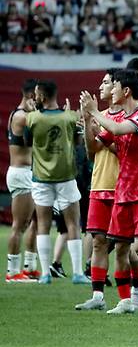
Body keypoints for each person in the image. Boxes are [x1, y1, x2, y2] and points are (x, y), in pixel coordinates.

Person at [79, 69, 138, 314]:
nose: (110, 90)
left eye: (114, 86)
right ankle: (126, 300)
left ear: (125, 91)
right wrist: (86, 120)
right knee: (122, 248)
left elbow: (118, 131)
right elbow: (93, 147)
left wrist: (94, 111)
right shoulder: (114, 120)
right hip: (124, 192)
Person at [27, 80, 87, 285]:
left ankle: (45, 274)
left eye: (36, 94)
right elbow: (79, 142)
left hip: (41, 178)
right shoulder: (70, 117)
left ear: (42, 97)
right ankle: (78, 273)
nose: (34, 97)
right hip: (66, 177)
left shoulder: (32, 118)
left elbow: (28, 142)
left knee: (43, 224)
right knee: (73, 224)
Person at [75, 68, 123, 310]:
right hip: (99, 185)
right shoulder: (99, 116)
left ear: (118, 87)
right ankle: (97, 297)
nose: (101, 87)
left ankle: (137, 292)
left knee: (130, 247)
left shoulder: (127, 118)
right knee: (98, 242)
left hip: (124, 188)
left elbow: (123, 151)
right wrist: (86, 119)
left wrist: (100, 129)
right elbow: (91, 151)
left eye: (106, 83)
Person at [5, 78, 39, 283]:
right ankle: (12, 271)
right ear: (30, 96)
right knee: (19, 224)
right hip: (21, 173)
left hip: (30, 174)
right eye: (37, 97)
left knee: (35, 222)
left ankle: (30, 267)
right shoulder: (20, 116)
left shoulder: (27, 115)